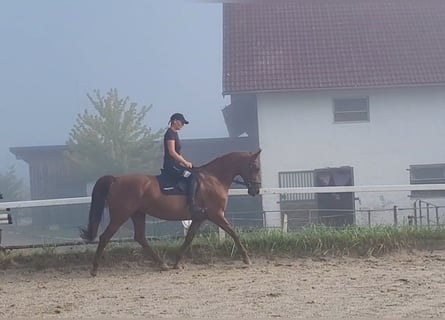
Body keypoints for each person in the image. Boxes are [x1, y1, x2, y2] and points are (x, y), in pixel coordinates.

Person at [162, 112, 206, 217]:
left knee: (194, 173)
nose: (182, 125)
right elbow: (172, 152)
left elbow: (178, 154)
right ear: (175, 121)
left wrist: (184, 162)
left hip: (176, 164)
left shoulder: (174, 133)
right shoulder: (170, 133)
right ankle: (192, 206)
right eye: (181, 122)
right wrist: (185, 162)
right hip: (171, 165)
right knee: (192, 177)